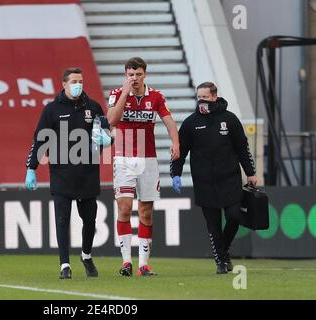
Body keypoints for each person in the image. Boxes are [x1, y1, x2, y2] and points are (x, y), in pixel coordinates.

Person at [25, 67, 112, 279]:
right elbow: (40, 140)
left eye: (80, 80)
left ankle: (86, 255)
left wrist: (108, 139)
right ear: (64, 84)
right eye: (74, 81)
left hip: (88, 172)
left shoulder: (93, 107)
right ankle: (64, 264)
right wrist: (31, 168)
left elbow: (107, 132)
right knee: (62, 220)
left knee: (90, 220)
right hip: (62, 173)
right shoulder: (52, 110)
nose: (78, 84)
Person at [170, 82, 257, 274]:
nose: (201, 101)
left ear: (214, 97)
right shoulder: (191, 122)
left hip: (229, 179)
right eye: (199, 97)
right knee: (213, 224)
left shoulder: (230, 119)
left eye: (205, 97)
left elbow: (243, 148)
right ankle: (221, 261)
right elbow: (180, 151)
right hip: (204, 182)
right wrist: (175, 173)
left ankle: (223, 251)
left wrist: (250, 172)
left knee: (234, 216)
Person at [106, 57, 180, 277]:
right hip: (123, 158)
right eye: (130, 74)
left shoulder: (156, 96)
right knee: (125, 208)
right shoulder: (117, 94)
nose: (134, 78)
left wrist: (175, 143)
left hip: (148, 160)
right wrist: (125, 94)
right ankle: (126, 261)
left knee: (146, 213)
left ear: (145, 74)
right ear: (125, 75)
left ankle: (143, 264)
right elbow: (111, 120)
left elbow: (169, 121)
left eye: (138, 74)